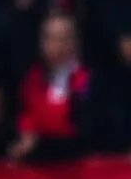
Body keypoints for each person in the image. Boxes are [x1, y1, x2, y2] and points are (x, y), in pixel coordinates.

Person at [11, 11, 92, 164]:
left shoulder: (86, 81)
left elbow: (84, 131)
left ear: (75, 43)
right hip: (36, 166)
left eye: (63, 38)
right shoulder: (32, 79)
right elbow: (24, 117)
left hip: (72, 165)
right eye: (50, 38)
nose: (57, 45)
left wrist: (38, 141)